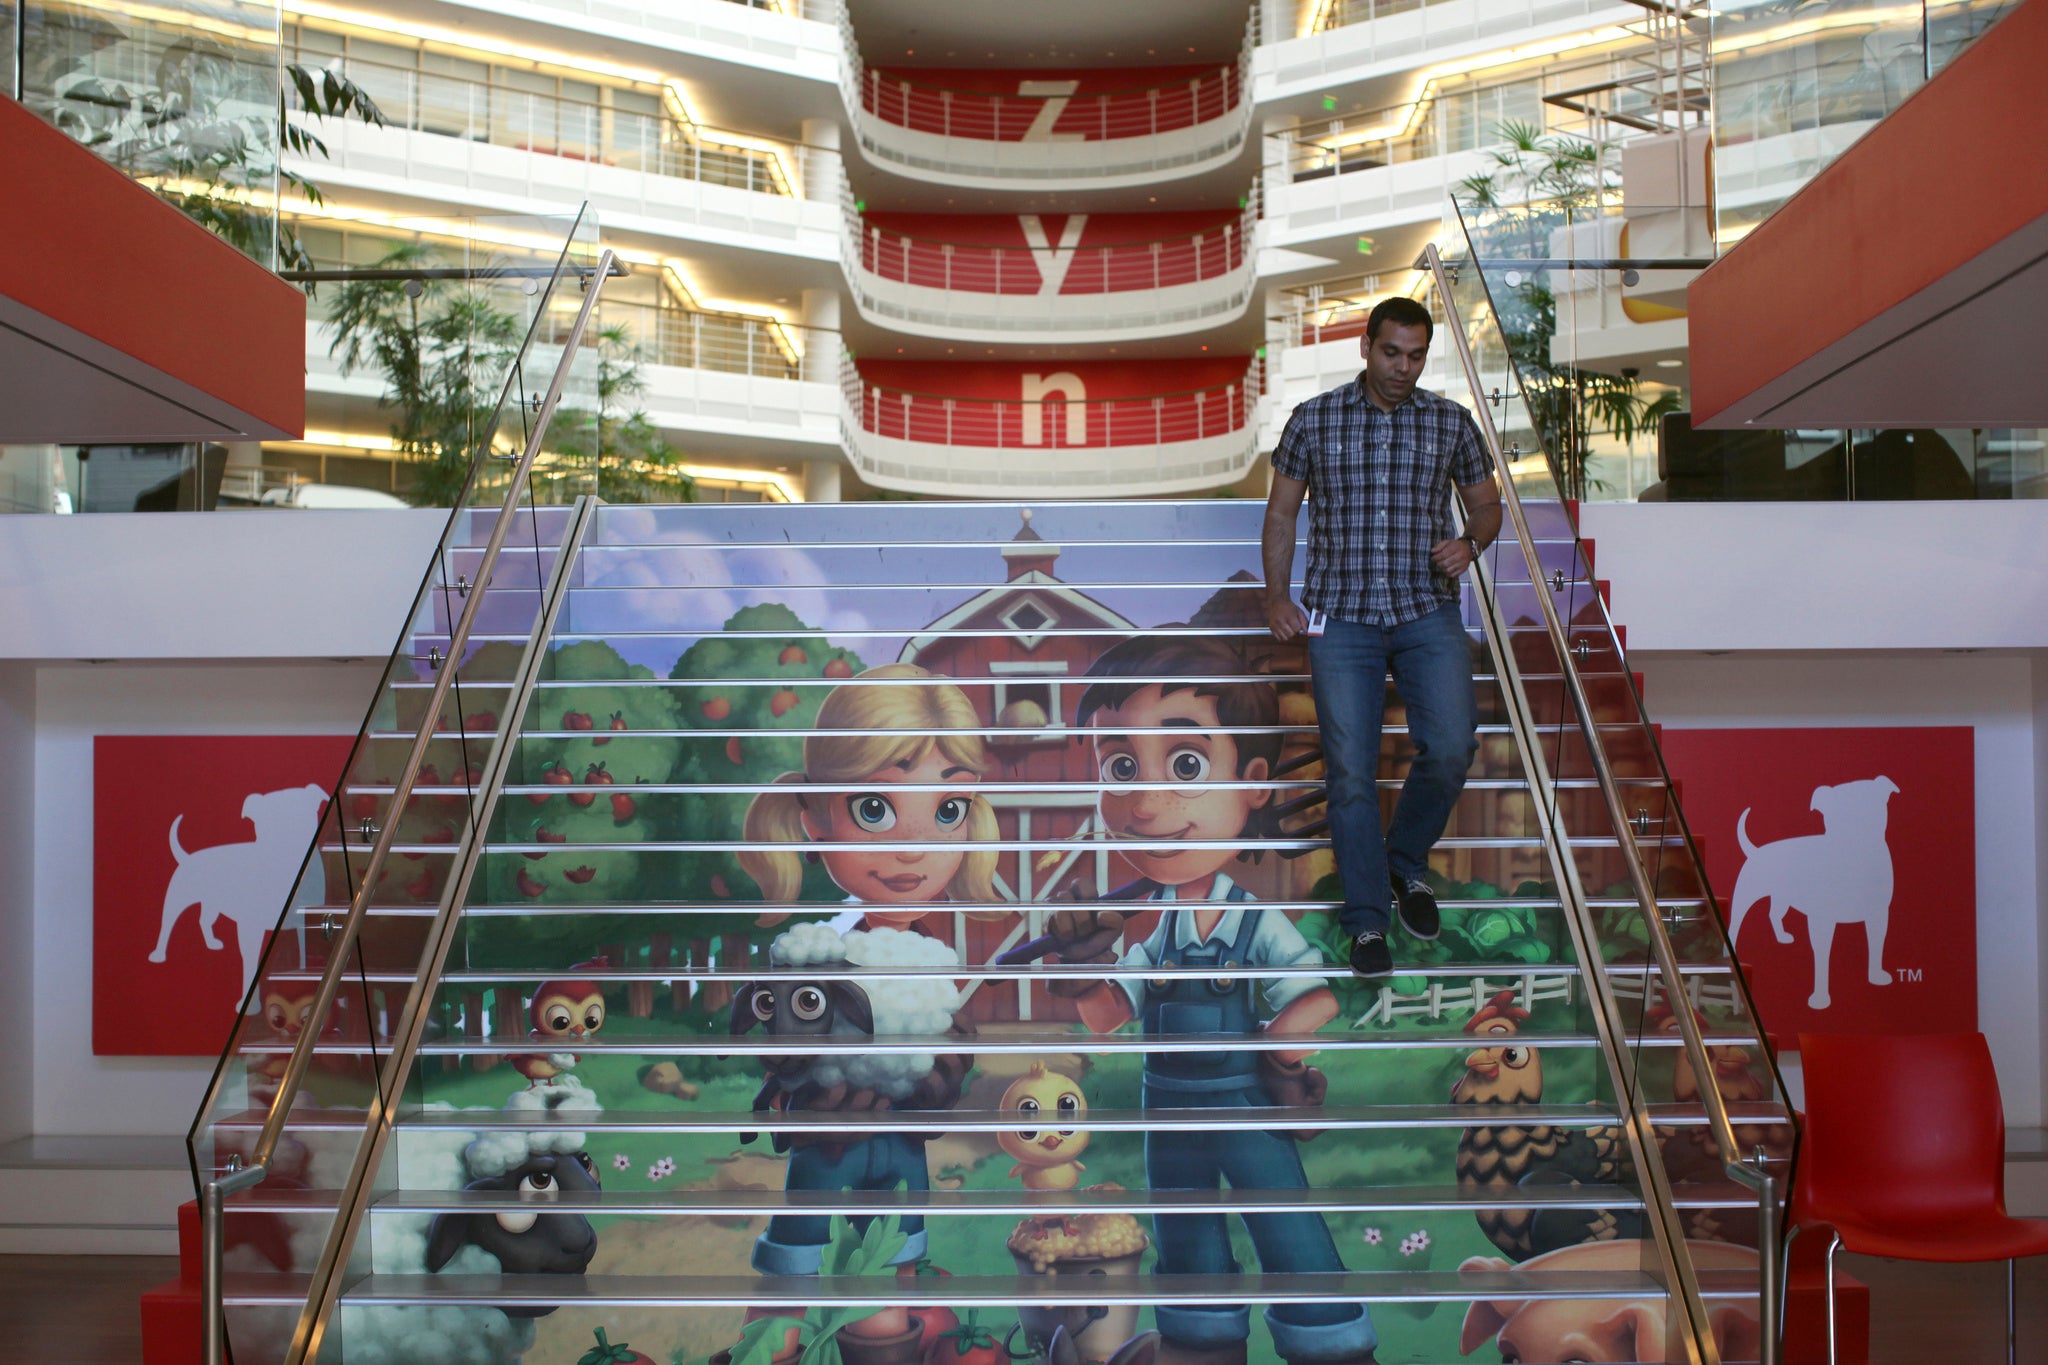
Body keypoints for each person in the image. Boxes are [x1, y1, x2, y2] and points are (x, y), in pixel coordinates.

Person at [1014, 636, 1379, 1365]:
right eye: (1120, 768)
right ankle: (1200, 1345)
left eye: (1185, 765)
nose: (1146, 802)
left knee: (1286, 1228)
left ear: (1253, 782)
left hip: (1242, 1103)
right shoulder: (1157, 928)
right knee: (1187, 1237)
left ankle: (1330, 1343)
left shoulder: (1253, 919)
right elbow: (1111, 1009)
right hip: (1168, 1107)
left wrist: (1276, 1049)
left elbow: (1316, 999)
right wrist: (1082, 970)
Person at [1262, 295, 1503, 979]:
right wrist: (1277, 593)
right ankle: (1368, 919)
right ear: (1366, 347)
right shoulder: (1315, 419)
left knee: (1453, 743)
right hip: (1342, 617)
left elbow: (1486, 505)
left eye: (1417, 355)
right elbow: (1282, 512)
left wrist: (1469, 541)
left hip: (1426, 609)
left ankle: (1405, 863)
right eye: (1392, 352)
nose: (1404, 367)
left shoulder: (1449, 423)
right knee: (1349, 772)